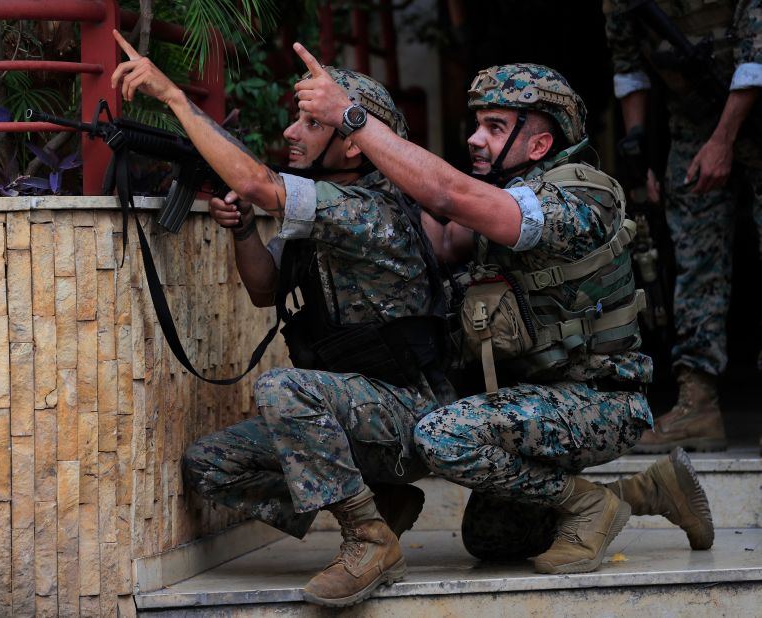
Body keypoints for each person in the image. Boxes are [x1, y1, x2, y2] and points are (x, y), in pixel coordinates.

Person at [293, 51, 713, 573]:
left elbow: (448, 195)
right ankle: (651, 490)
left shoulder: (579, 195)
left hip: (601, 401)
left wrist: (354, 120)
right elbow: (439, 235)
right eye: (476, 124)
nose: (474, 138)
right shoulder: (504, 194)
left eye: (494, 126)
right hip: (533, 397)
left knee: (443, 434)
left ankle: (589, 504)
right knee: (492, 538)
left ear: (539, 143)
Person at [108, 31, 454, 607]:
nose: (292, 133)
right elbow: (267, 291)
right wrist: (244, 230)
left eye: (312, 125)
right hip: (354, 413)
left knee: (283, 389)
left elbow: (256, 182)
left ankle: (367, 538)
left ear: (354, 147)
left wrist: (174, 97)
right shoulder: (323, 206)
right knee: (210, 465)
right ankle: (378, 503)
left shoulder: (367, 208)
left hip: (409, 413)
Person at [603, 0, 762, 453]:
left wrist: (724, 141)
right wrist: (637, 149)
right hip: (693, 121)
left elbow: (756, 56)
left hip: (752, 108)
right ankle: (698, 405)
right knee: (694, 259)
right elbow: (628, 66)